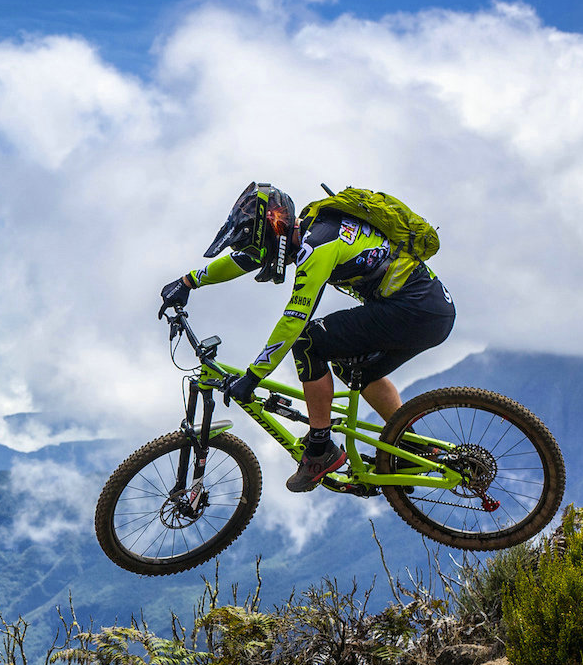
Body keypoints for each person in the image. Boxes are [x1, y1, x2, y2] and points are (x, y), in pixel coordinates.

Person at [158, 182, 455, 492]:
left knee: (308, 341)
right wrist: (189, 282)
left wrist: (253, 376)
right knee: (350, 366)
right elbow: (245, 260)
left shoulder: (318, 246)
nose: (258, 257)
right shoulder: (308, 231)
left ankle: (320, 448)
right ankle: (411, 446)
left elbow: (294, 320)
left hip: (415, 311)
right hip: (429, 311)